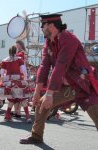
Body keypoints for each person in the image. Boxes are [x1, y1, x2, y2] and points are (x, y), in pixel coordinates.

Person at [20, 14, 98, 144]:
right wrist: (37, 92)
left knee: (96, 113)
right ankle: (36, 136)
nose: (41, 28)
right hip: (66, 85)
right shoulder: (49, 42)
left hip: (82, 85)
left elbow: (61, 65)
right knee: (42, 103)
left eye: (43, 25)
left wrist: (49, 93)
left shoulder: (68, 39)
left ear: (51, 25)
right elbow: (44, 66)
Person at [0, 45, 31, 123]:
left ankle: (7, 115)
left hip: (9, 81)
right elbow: (24, 70)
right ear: (16, 52)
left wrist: (5, 77)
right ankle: (28, 117)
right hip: (18, 80)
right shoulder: (19, 59)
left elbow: (1, 72)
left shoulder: (5, 60)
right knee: (23, 99)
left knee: (11, 99)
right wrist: (24, 79)